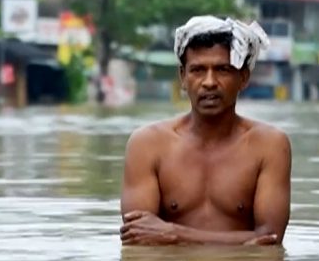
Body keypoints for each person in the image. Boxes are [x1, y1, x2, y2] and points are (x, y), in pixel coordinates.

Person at [119, 16, 292, 246]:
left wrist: (174, 234)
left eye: (222, 70)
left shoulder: (269, 146)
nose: (209, 82)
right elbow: (138, 238)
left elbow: (269, 239)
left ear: (243, 78)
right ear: (183, 77)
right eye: (198, 70)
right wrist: (240, 242)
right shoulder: (147, 145)